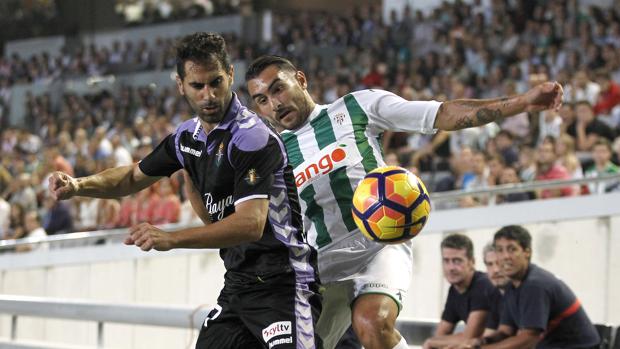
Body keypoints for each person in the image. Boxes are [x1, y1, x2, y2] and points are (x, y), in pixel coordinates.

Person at [244, 55, 563, 349]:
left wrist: (522, 102)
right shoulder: (271, 157)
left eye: (278, 89)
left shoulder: (356, 107)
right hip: (323, 266)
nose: (274, 104)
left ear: (300, 79)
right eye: (262, 100)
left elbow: (443, 114)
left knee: (372, 323)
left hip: (380, 245)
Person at [48, 33, 322, 349]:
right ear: (181, 85)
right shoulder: (185, 139)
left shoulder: (252, 137)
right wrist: (79, 185)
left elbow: (251, 224)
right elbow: (131, 177)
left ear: (230, 75)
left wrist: (172, 238)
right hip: (238, 285)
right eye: (198, 86)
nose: (209, 95)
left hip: (286, 285)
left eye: (216, 82)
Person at [466, 225, 600, 349]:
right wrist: (479, 342)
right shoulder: (511, 286)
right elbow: (505, 332)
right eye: (500, 250)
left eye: (512, 249)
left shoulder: (535, 284)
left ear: (527, 252)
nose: (505, 256)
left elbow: (529, 338)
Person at [422, 234, 499, 349]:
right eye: (446, 261)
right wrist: (433, 342)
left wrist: (432, 342)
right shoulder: (454, 289)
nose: (451, 267)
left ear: (472, 262)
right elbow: (441, 334)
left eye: (457, 261)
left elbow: (469, 338)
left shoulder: (483, 284)